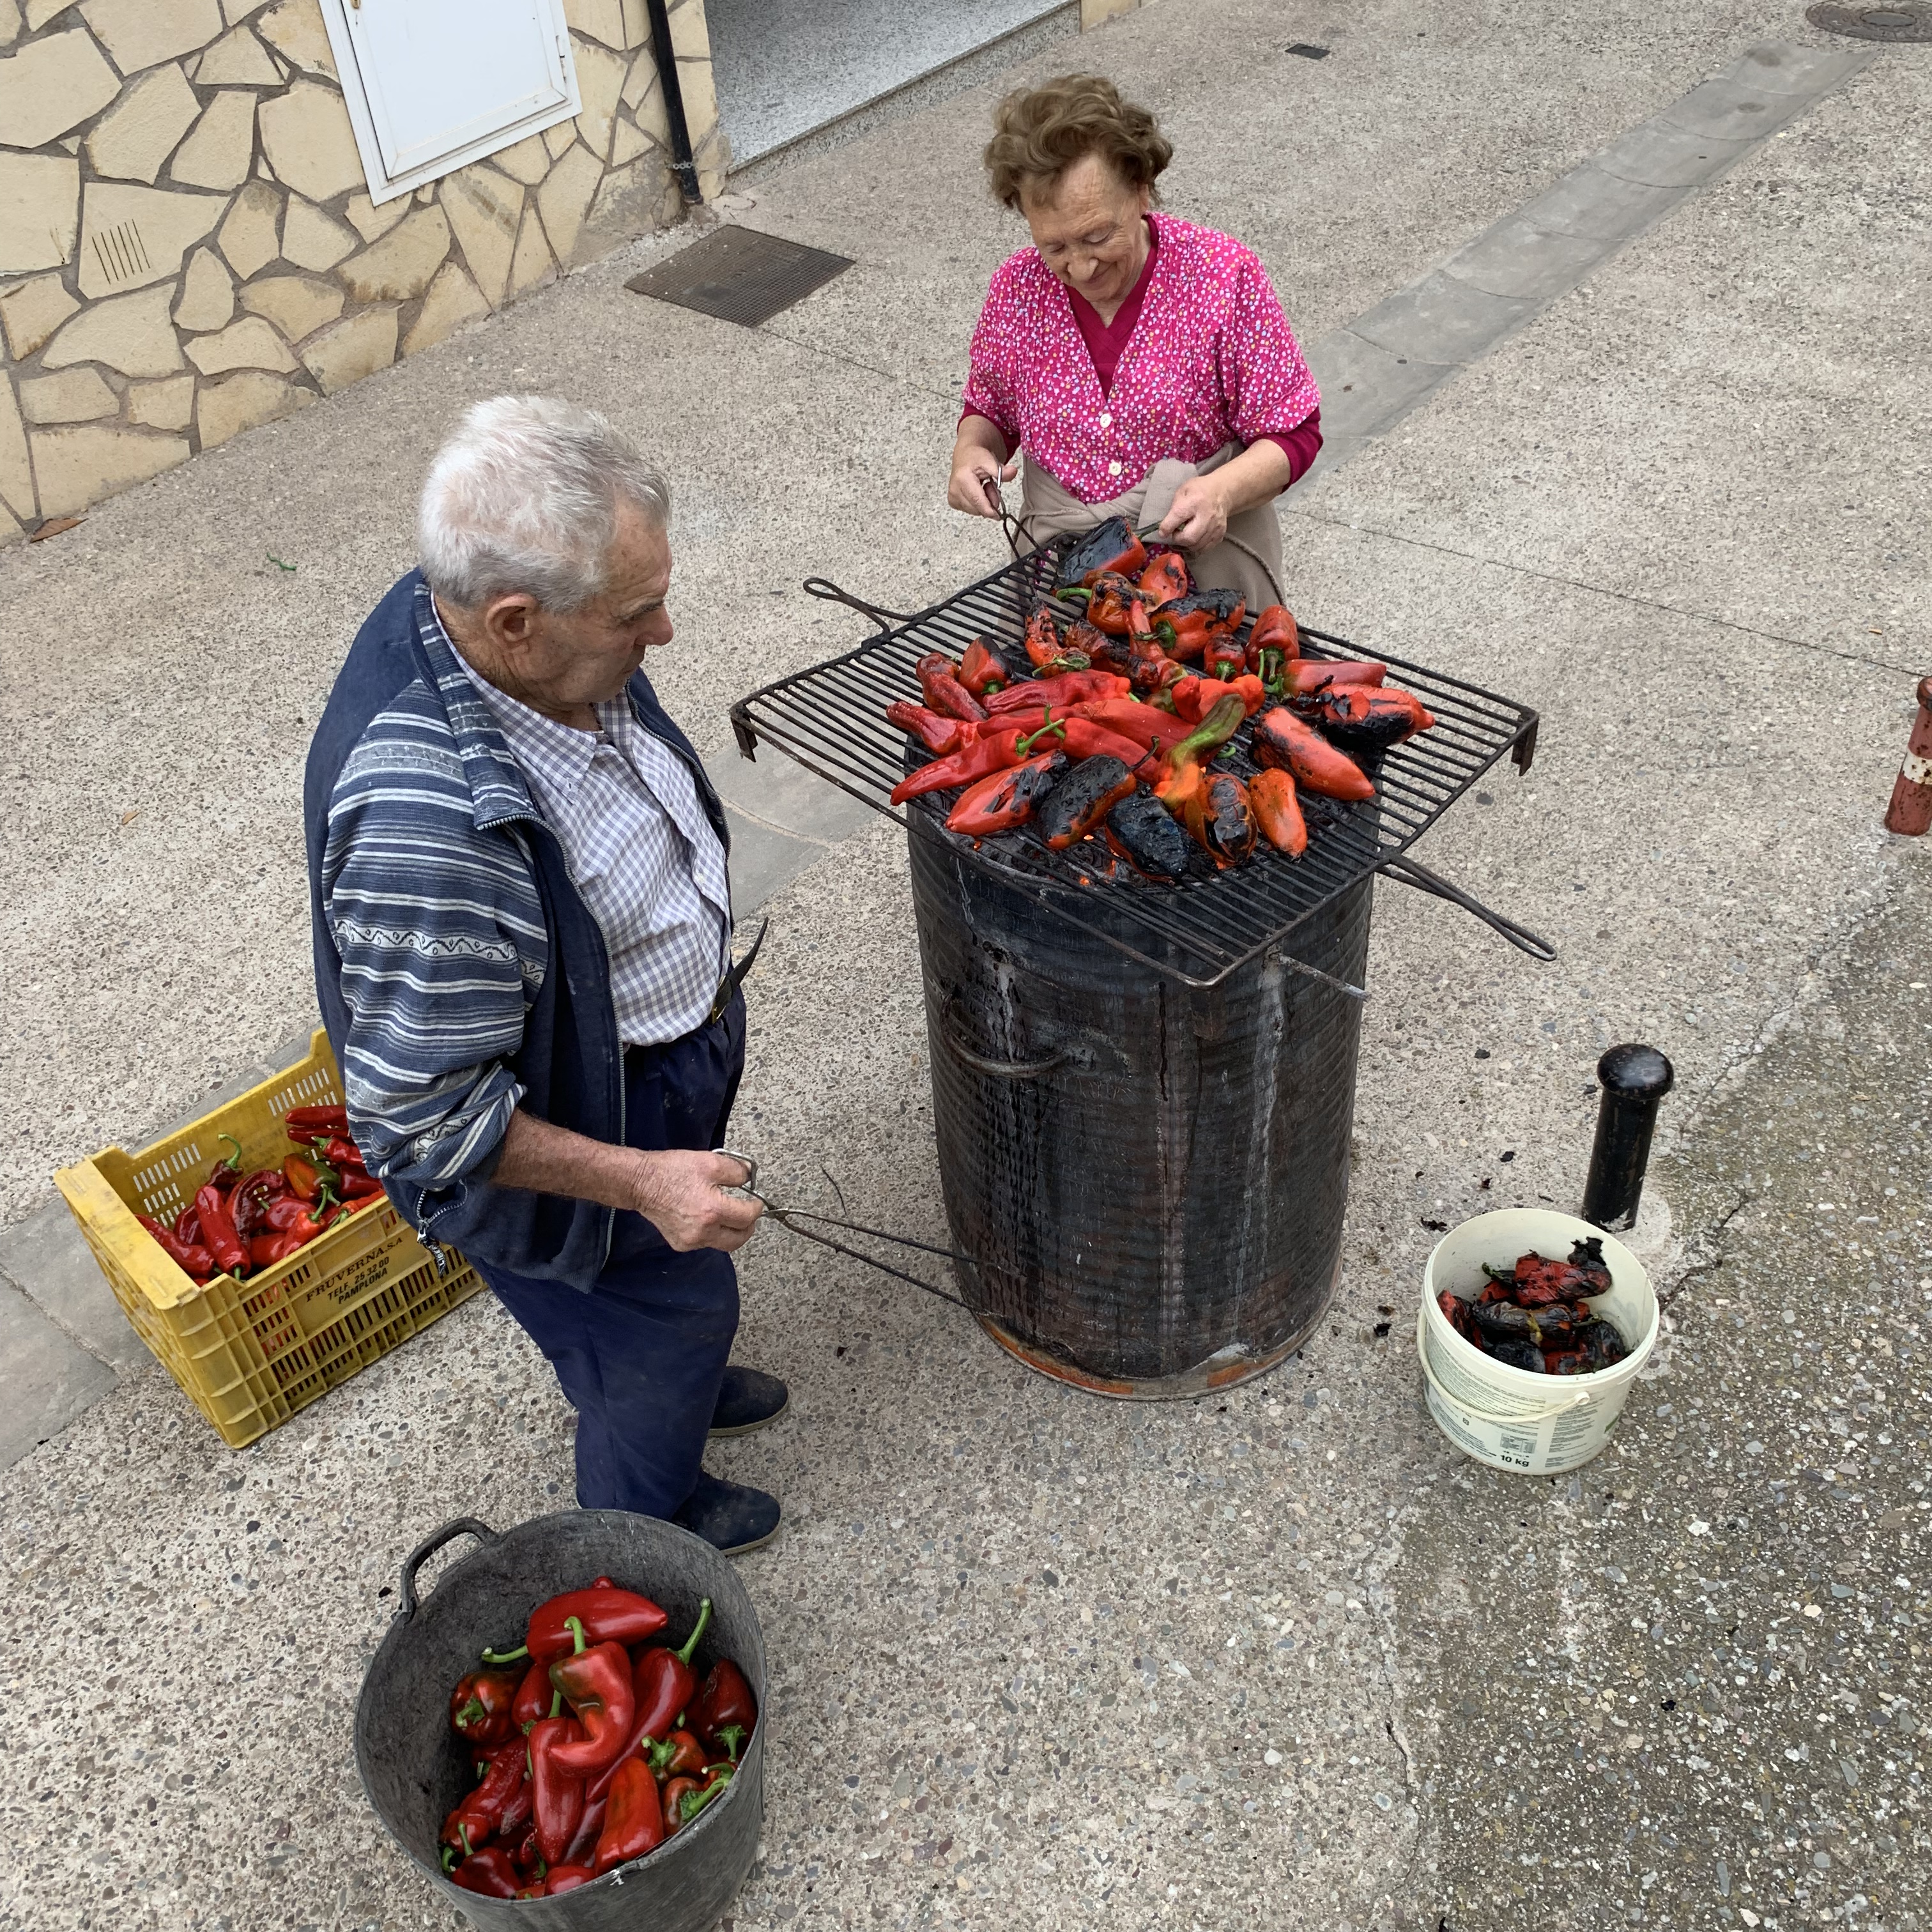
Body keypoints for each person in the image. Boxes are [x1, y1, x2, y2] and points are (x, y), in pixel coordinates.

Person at [303, 396, 784, 1554]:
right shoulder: (425, 829)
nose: (665, 632)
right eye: (634, 614)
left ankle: (650, 1369)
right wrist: (644, 1180)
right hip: (584, 1126)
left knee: (639, 1315)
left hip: (636, 1069)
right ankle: (646, 1514)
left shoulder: (503, 626)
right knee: (667, 1311)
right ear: (513, 622)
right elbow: (423, 1122)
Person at [947, 74, 1321, 609]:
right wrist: (971, 452)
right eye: (1055, 247)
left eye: (1098, 236)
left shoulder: (1222, 275)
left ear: (1141, 189)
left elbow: (1293, 433)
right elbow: (991, 408)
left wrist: (1222, 492)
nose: (1081, 266)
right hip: (1064, 581)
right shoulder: (1017, 288)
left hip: (1203, 582)